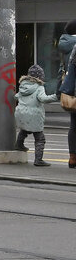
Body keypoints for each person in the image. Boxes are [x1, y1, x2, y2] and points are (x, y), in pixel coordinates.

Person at [14, 63, 56, 167]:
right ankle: (38, 160)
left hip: (21, 113)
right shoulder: (39, 87)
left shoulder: (23, 86)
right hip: (34, 115)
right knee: (40, 138)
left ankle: (19, 145)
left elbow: (16, 96)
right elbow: (43, 99)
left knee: (24, 130)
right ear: (40, 77)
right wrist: (56, 97)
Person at [58, 19, 76, 169]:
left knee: (74, 125)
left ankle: (72, 158)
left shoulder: (64, 45)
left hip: (72, 92)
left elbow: (62, 69)